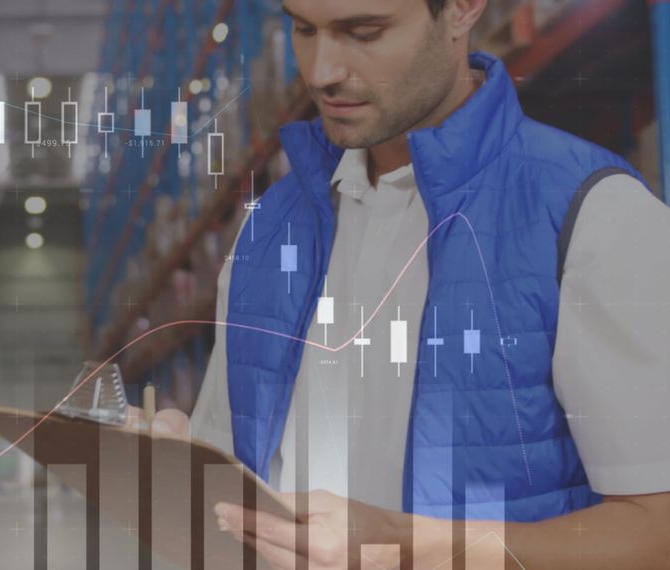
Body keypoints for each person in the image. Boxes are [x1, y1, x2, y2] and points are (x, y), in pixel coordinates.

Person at [133, 0, 670, 567]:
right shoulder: (266, 232)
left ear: (462, 10)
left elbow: (657, 530)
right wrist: (179, 470)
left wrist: (409, 545)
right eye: (304, 29)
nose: (321, 71)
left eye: (364, 32)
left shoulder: (593, 216)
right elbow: (239, 486)